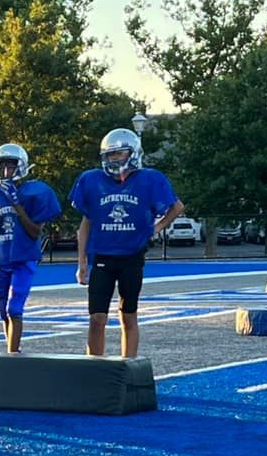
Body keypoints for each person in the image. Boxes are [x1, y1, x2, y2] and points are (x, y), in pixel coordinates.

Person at [70, 128, 185, 357]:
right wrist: (81, 262)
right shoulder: (92, 180)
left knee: (128, 315)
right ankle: (95, 365)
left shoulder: (149, 179)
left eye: (119, 154)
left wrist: (158, 227)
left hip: (132, 257)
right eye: (111, 155)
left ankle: (128, 364)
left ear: (132, 153)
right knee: (96, 317)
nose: (114, 159)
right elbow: (85, 224)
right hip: (102, 257)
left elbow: (177, 207)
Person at [0, 144, 62, 352]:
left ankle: (13, 353)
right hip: (1, 259)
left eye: (10, 166)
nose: (5, 171)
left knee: (14, 309)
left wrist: (17, 206)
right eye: (1, 166)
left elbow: (34, 232)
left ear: (21, 167)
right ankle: (10, 350)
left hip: (23, 258)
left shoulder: (33, 192)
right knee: (2, 311)